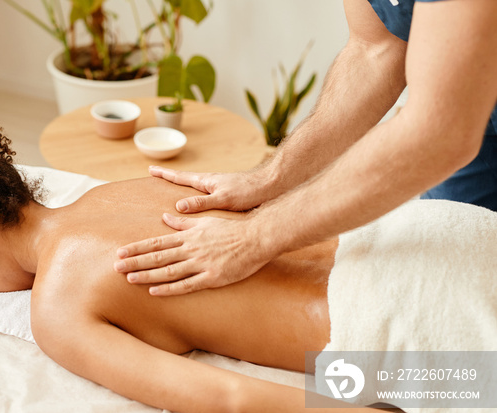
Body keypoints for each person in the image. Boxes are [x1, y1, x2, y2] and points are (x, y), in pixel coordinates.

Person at [0, 104, 496, 413]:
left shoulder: (58, 308)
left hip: (419, 340)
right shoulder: (125, 187)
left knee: (387, 382)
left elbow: (235, 401)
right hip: (439, 231)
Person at [113, 0, 497, 296]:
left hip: (460, 112)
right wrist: (273, 177)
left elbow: (439, 133)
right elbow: (376, 49)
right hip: (473, 104)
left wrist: (252, 238)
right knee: (460, 276)